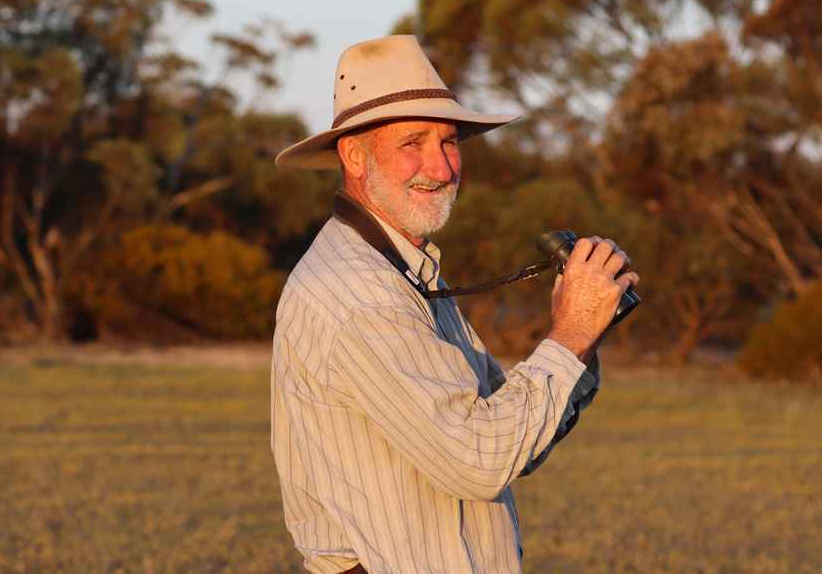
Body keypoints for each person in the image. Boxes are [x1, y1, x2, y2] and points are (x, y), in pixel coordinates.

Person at [270, 35, 640, 574]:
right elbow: (480, 462)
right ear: (353, 155)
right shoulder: (360, 294)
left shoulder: (404, 271)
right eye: (412, 143)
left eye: (449, 142)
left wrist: (582, 336)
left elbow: (512, 442)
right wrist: (570, 335)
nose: (442, 169)